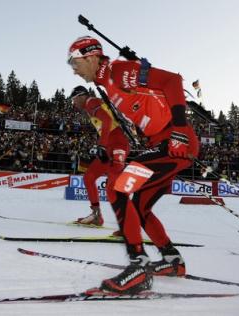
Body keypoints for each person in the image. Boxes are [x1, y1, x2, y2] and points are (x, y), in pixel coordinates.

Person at [68, 36, 200, 294]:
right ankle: (173, 261)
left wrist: (181, 129)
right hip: (164, 143)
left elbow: (172, 81)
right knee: (139, 206)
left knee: (117, 187)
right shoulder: (105, 82)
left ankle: (138, 268)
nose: (73, 68)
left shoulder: (118, 72)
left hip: (173, 142)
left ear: (92, 57)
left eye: (74, 62)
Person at [69, 86, 130, 227]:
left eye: (74, 99)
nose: (74, 103)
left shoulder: (90, 102)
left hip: (118, 144)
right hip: (111, 145)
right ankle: (96, 215)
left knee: (113, 187)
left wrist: (101, 146)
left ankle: (127, 224)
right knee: (89, 177)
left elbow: (108, 121)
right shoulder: (90, 106)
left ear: (81, 96)